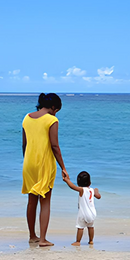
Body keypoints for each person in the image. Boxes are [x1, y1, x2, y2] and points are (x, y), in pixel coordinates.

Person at [22, 93, 68, 247]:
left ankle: (32, 236)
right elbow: (55, 146)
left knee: (31, 201)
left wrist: (27, 161)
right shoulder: (52, 120)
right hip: (44, 163)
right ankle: (43, 239)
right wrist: (63, 167)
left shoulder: (26, 118)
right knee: (45, 201)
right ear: (53, 107)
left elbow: (24, 144)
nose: (56, 113)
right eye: (56, 110)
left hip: (28, 163)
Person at [62, 171, 101, 246]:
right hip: (92, 214)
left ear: (79, 183)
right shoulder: (92, 190)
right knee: (91, 227)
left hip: (83, 214)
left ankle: (78, 241)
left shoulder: (82, 190)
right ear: (90, 182)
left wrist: (67, 180)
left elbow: (72, 187)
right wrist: (96, 190)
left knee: (80, 227)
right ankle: (91, 241)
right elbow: (99, 196)